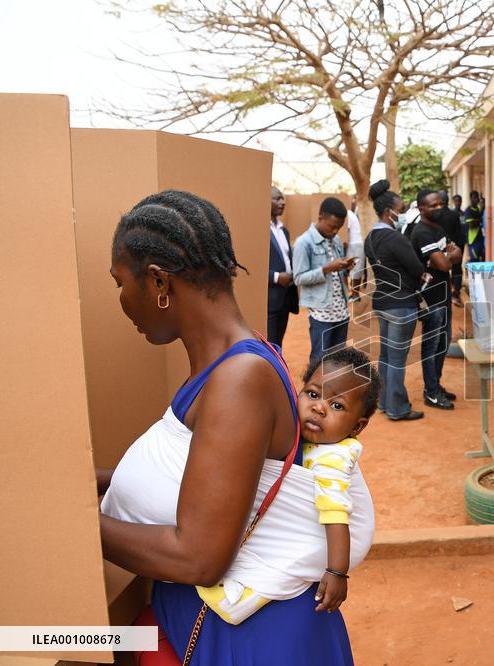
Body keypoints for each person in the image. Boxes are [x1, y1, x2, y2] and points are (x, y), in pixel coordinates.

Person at [99, 190, 371, 664]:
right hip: (217, 627)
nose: (122, 300)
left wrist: (70, 527)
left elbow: (199, 557)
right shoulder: (224, 362)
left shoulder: (238, 379)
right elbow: (206, 471)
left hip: (251, 642)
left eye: (120, 283)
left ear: (160, 283)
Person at [299, 347, 380, 618]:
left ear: (357, 428)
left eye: (337, 405)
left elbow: (335, 515)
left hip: (334, 549)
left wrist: (336, 572)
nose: (319, 408)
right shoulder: (305, 437)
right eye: (312, 393)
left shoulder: (332, 458)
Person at [364, 179, 429, 421]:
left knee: (386, 356)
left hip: (381, 302)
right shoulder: (396, 239)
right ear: (389, 212)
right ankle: (398, 408)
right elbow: (416, 268)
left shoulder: (370, 238)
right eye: (401, 210)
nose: (403, 214)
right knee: (398, 359)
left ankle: (383, 401)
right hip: (401, 304)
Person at [411, 188, 462, 410]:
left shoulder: (438, 228)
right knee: (431, 346)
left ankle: (436, 385)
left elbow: (456, 254)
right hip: (430, 298)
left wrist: (446, 256)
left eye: (441, 204)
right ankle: (430, 392)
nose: (439, 208)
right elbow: (444, 264)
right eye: (433, 205)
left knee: (442, 344)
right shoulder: (421, 232)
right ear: (421, 208)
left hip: (443, 295)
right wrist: (446, 257)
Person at [293, 197, 357, 366]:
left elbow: (336, 271)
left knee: (338, 360)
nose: (336, 231)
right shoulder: (303, 243)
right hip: (321, 312)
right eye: (332, 226)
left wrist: (345, 267)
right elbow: (298, 278)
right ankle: (315, 392)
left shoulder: (334, 240)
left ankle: (332, 392)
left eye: (339, 227)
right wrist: (326, 268)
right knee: (319, 360)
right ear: (321, 218)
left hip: (341, 310)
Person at [268, 186, 298, 346]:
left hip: (286, 296)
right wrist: (276, 277)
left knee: (278, 343)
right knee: (270, 346)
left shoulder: (283, 231)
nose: (282, 202)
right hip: (270, 298)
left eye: (282, 198)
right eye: (277, 198)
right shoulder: (259, 230)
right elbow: (252, 268)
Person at [437, 190, 466, 307]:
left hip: (439, 248)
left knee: (440, 270)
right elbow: (459, 233)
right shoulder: (454, 215)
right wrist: (459, 248)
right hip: (453, 247)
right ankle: (456, 294)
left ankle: (441, 295)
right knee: (457, 269)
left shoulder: (435, 215)